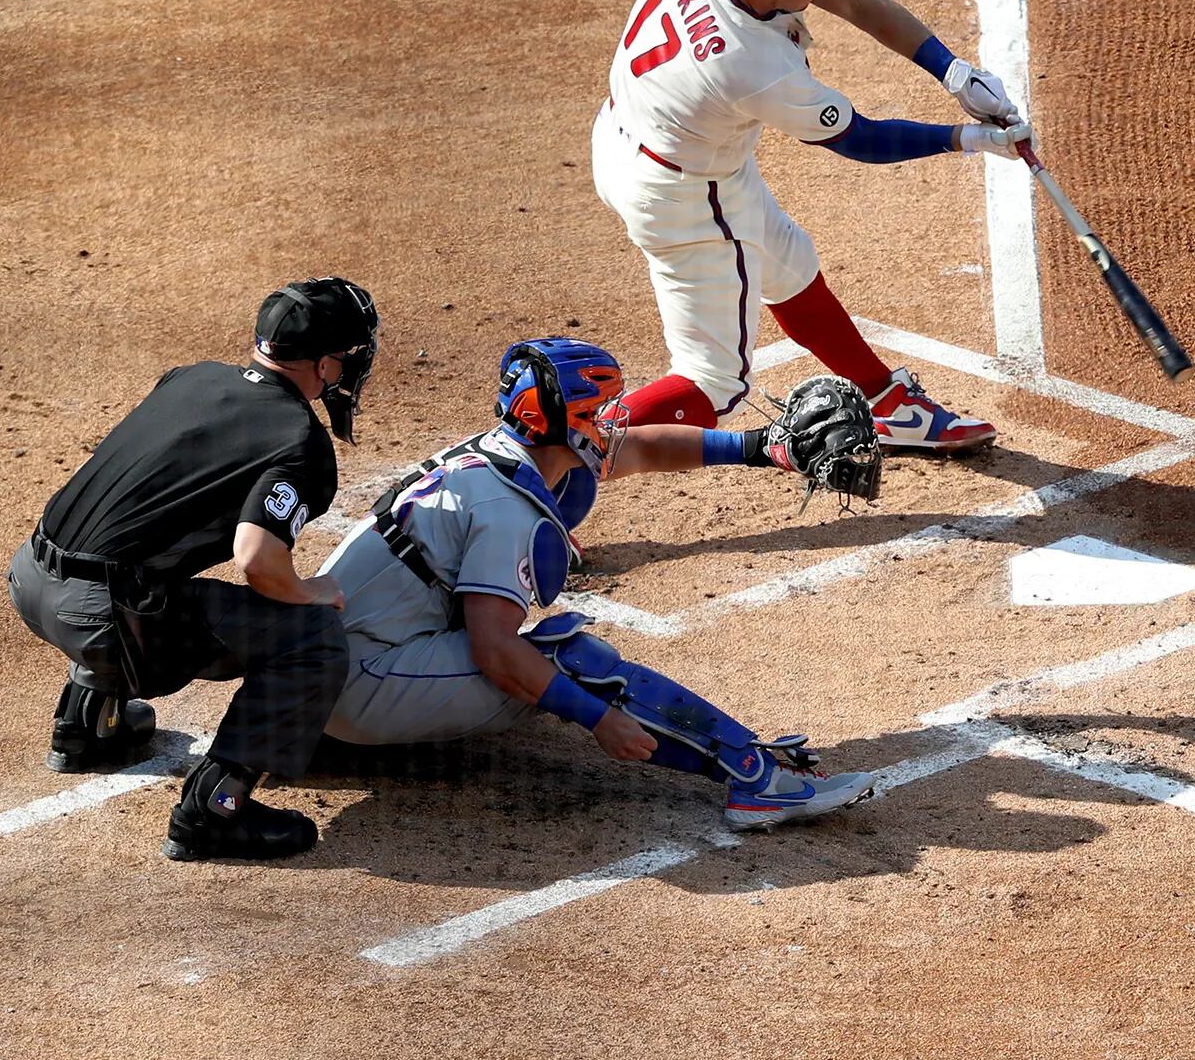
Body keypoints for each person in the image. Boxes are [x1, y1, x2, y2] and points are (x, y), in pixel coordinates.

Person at [311, 338, 883, 829]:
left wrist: (760, 448)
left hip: (319, 672)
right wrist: (597, 718)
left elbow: (642, 448)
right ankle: (755, 780)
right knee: (571, 661)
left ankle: (330, 736)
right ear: (559, 420)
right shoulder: (507, 509)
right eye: (598, 411)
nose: (611, 421)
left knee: (559, 542)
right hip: (360, 687)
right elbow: (494, 650)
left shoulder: (506, 452)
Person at [592, 0, 1029, 453]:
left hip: (634, 134)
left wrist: (953, 72)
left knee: (785, 261)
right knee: (713, 380)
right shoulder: (754, 67)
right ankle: (537, 454)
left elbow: (853, 1)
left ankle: (885, 402)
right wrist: (971, 138)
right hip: (681, 195)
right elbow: (860, 140)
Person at [6, 277, 377, 863]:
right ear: (324, 363)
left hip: (28, 577)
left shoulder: (192, 375)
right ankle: (214, 811)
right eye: (349, 356)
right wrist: (308, 591)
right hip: (102, 619)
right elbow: (259, 558)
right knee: (311, 638)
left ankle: (88, 724)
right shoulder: (298, 439)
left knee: (147, 562)